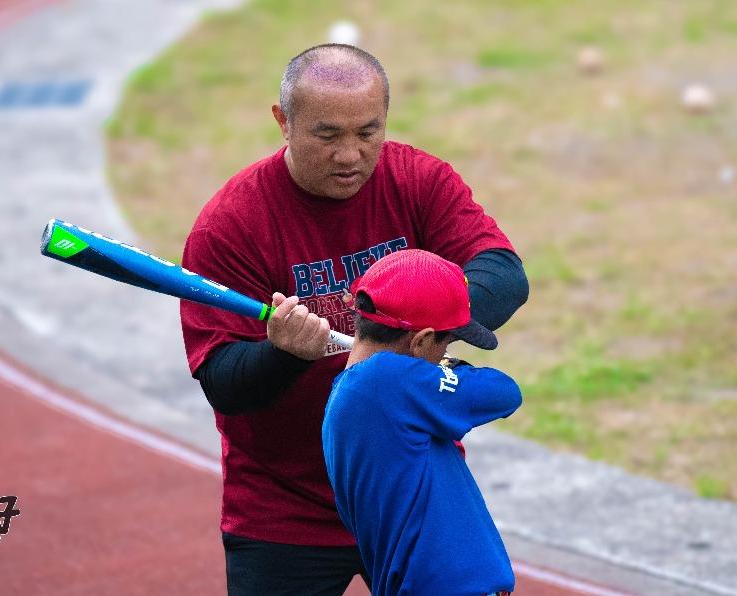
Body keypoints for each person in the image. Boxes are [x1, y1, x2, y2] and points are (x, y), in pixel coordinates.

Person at [180, 43, 529, 595]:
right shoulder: (230, 226)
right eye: (327, 135)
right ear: (283, 121)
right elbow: (224, 381)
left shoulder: (418, 180)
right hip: (283, 510)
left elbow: (505, 275)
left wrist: (415, 323)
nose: (350, 155)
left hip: (409, 488)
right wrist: (282, 354)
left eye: (368, 133)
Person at [323, 249, 522, 596]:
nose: (445, 352)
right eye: (447, 342)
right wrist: (448, 367)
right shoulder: (389, 381)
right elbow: (504, 391)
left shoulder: (352, 394)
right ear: (421, 341)